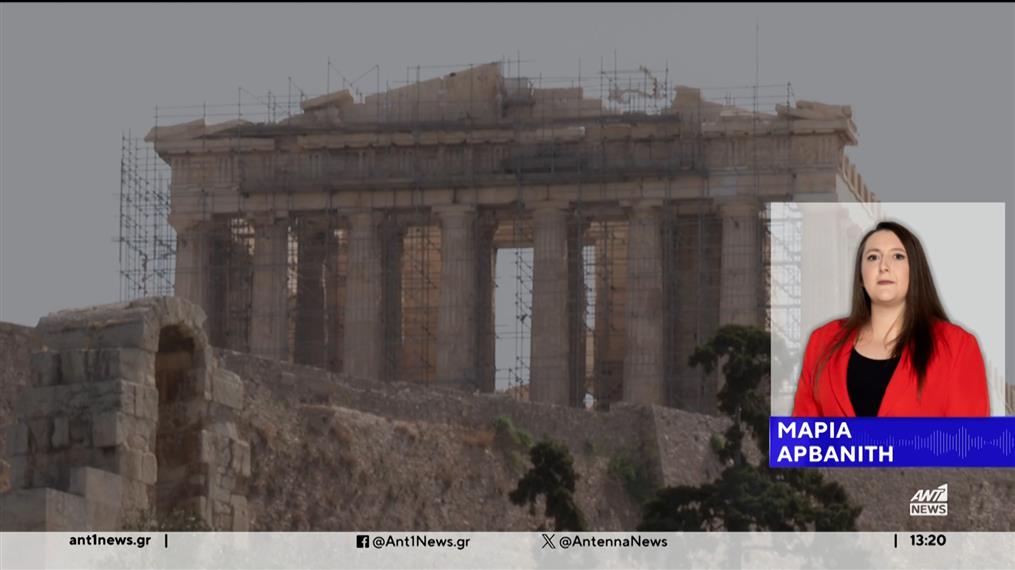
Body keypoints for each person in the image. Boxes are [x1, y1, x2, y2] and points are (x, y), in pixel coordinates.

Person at [792, 220, 989, 417]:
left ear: (915, 270)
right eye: (872, 257)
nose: (883, 266)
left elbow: (970, 443)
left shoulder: (957, 346)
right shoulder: (822, 341)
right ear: (861, 276)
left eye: (897, 256)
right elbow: (799, 440)